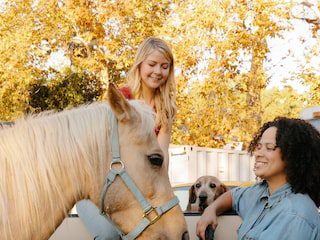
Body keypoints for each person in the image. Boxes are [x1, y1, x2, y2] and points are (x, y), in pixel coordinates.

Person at [77, 37, 177, 239]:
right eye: (152, 64)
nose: (158, 71)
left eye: (164, 67)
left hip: (134, 195)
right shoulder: (122, 99)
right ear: (140, 64)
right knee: (108, 235)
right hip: (98, 190)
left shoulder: (165, 108)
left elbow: (161, 156)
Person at [196, 117, 320, 240]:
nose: (258, 153)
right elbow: (233, 196)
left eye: (269, 147)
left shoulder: (295, 215)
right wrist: (211, 210)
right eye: (259, 147)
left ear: (292, 154)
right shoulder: (259, 193)